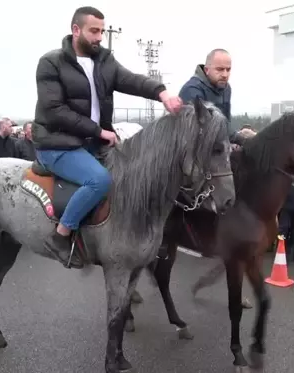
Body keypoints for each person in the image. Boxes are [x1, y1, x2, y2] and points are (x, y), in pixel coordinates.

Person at [32, 6, 182, 268]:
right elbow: (55, 111)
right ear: (75, 30)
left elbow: (132, 80)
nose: (99, 37)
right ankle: (61, 235)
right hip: (57, 143)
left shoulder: (104, 61)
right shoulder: (51, 62)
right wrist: (99, 131)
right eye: (94, 31)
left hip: (91, 144)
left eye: (101, 31)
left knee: (132, 175)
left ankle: (114, 248)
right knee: (99, 180)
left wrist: (162, 93)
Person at [179, 49, 247, 145]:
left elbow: (225, 124)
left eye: (228, 69)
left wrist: (244, 140)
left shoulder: (226, 89)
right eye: (219, 69)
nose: (225, 75)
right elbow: (198, 132)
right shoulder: (192, 90)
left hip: (217, 147)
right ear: (207, 70)